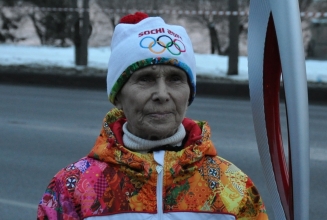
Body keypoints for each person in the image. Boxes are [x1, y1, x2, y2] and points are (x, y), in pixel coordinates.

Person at [37, 12, 268, 220]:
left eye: (175, 79)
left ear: (189, 94)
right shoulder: (72, 188)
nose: (161, 94)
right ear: (117, 96)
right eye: (145, 78)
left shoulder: (232, 187)